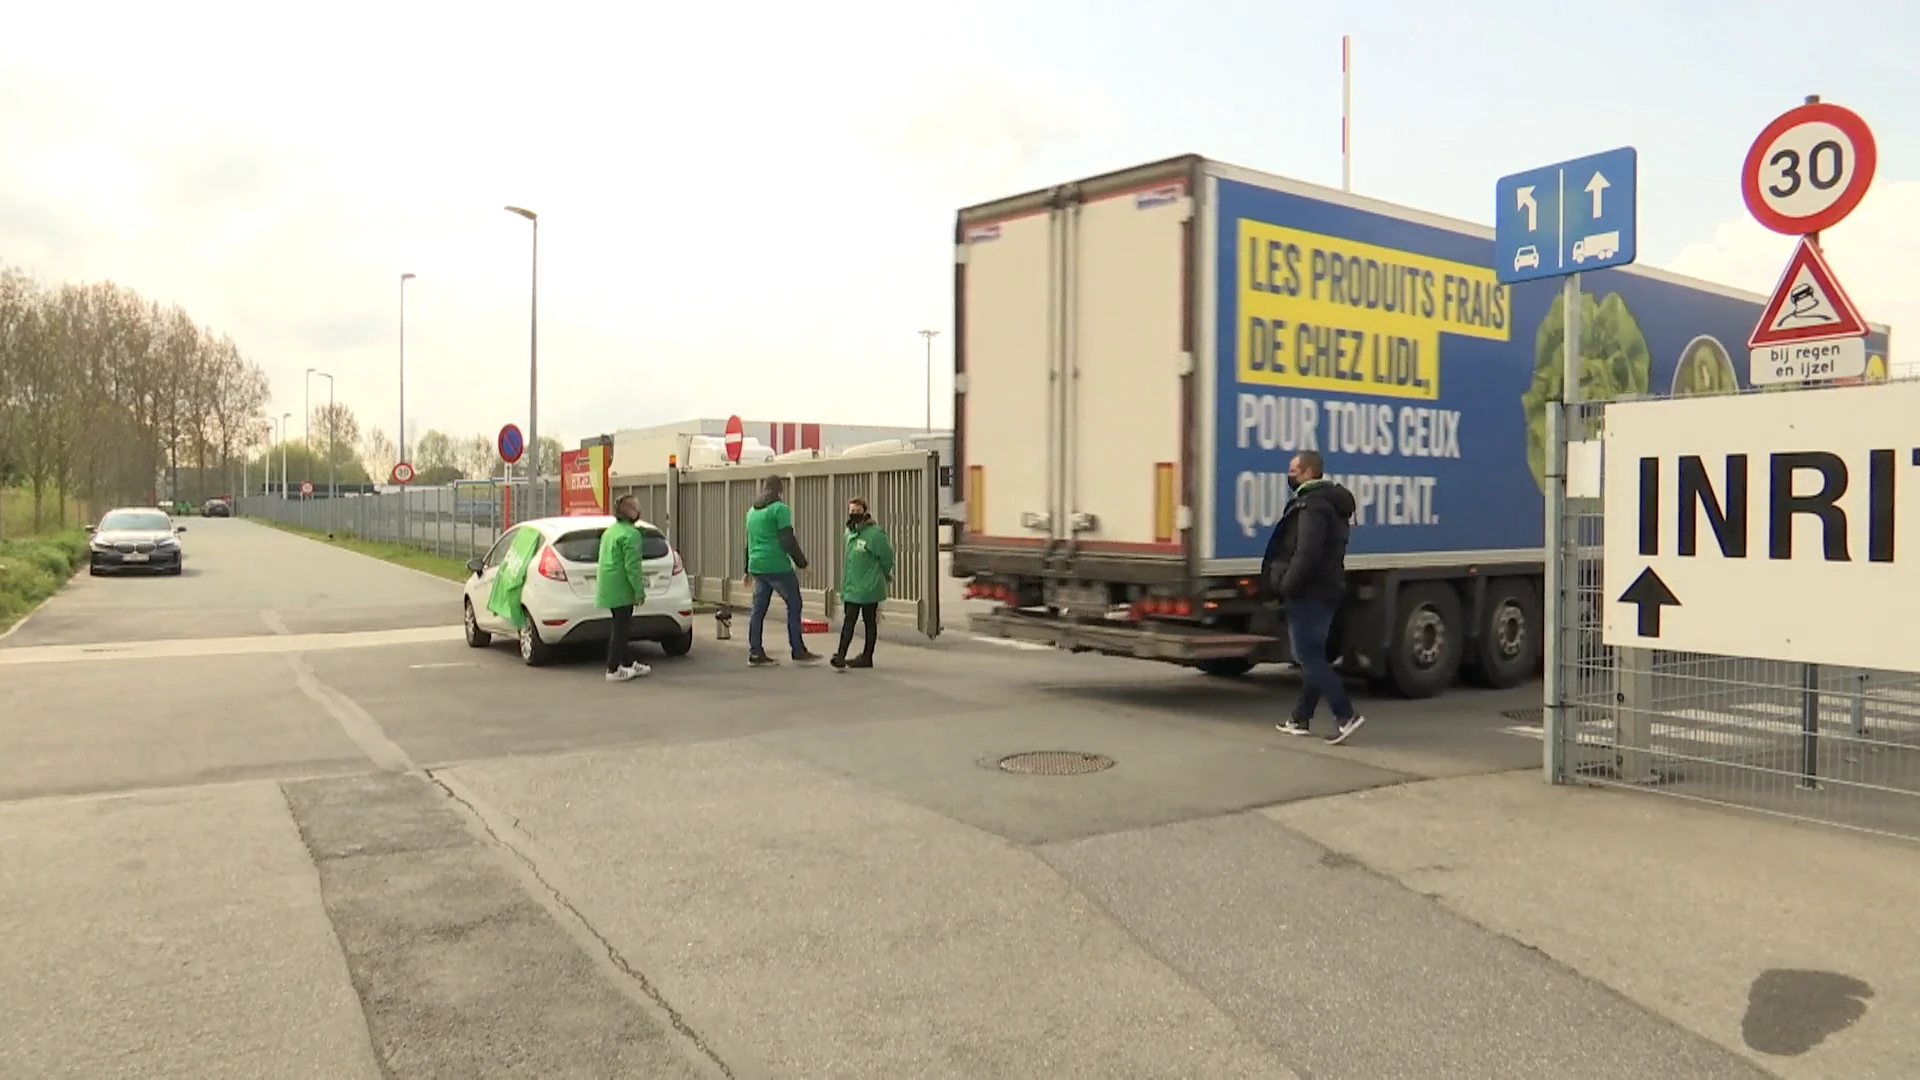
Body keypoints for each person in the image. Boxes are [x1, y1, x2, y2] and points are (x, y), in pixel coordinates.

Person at [1260, 450, 1365, 744]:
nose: (1289, 475)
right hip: (1325, 589)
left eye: (1293, 470)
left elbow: (1305, 553)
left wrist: (1287, 586)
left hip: (1309, 592)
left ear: (1308, 473)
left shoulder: (1313, 507)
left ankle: (1346, 716)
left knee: (1307, 657)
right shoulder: (1329, 504)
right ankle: (1300, 718)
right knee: (1314, 657)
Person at [742, 476, 820, 666]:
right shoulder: (780, 509)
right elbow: (788, 540)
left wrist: (747, 569)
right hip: (777, 565)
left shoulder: (751, 512)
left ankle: (755, 652)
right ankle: (798, 650)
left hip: (757, 566)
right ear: (779, 490)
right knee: (794, 604)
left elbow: (748, 543)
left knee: (758, 611)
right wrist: (803, 564)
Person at [831, 497, 893, 671]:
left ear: (865, 512)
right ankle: (841, 655)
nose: (854, 514)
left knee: (868, 621)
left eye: (858, 511)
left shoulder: (874, 534)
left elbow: (887, 556)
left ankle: (866, 656)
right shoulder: (849, 532)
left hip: (869, 587)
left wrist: (886, 573)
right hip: (852, 585)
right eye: (851, 511)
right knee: (849, 620)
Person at [596, 494, 652, 682]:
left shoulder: (611, 531)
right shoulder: (631, 535)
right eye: (636, 507)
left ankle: (627, 662)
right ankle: (613, 668)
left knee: (622, 625)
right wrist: (639, 591)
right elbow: (632, 567)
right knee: (621, 627)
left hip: (609, 584)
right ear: (630, 512)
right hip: (621, 586)